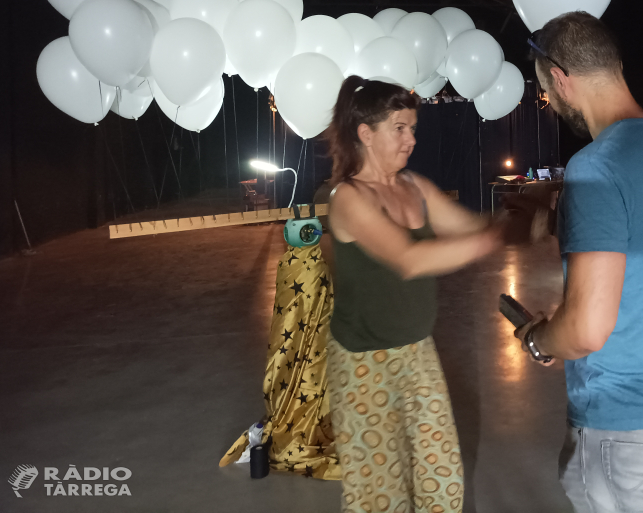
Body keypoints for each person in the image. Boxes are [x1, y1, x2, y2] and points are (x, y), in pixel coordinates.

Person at [513, 11, 643, 513]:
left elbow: (585, 329)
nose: (551, 105)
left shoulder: (595, 167)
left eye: (546, 94)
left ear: (561, 80)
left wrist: (539, 340)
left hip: (627, 425)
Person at [325, 75, 524, 513]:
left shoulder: (414, 187)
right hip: (364, 365)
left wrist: (520, 221)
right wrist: (491, 240)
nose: (411, 139)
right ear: (365, 133)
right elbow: (409, 260)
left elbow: (472, 226)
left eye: (413, 128)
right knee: (380, 494)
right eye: (400, 128)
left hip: (417, 353)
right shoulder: (349, 198)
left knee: (443, 481)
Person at [220, 237, 340, 479]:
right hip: (306, 284)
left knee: (307, 360)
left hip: (314, 349)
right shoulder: (299, 268)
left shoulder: (301, 267)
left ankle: (303, 416)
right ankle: (302, 417)